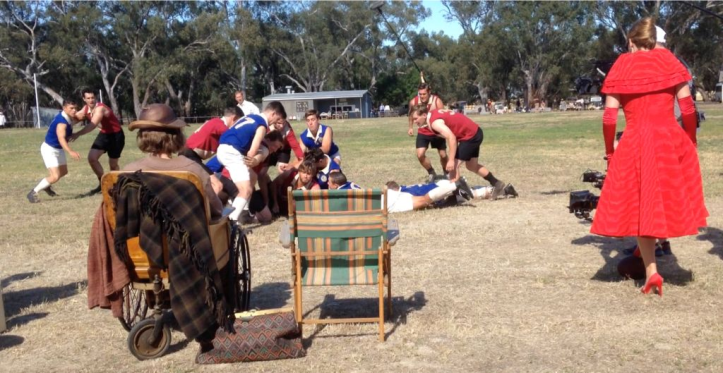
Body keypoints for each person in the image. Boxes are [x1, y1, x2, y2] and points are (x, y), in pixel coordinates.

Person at [590, 17, 708, 296]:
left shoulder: (621, 65)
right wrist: (690, 138)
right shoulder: (669, 61)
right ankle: (661, 251)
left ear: (631, 41)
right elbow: (688, 108)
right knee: (665, 198)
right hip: (669, 137)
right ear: (653, 40)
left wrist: (610, 150)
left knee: (643, 204)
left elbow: (609, 117)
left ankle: (652, 271)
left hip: (635, 139)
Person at [121, 104, 224, 220]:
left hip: (141, 236)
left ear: (142, 137)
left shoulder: (127, 171)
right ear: (177, 136)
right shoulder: (193, 169)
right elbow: (216, 210)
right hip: (187, 236)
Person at [410, 105, 510, 200]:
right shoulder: (432, 115)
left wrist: (451, 160)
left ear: (423, 115)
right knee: (471, 166)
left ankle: (454, 197)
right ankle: (497, 183)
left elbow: (452, 138)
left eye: (416, 118)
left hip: (470, 136)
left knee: (453, 168)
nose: (414, 122)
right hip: (474, 132)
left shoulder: (435, 123)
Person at [216, 101, 286, 221]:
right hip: (232, 152)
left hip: (223, 148)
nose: (275, 123)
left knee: (252, 176)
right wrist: (253, 160)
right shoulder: (262, 125)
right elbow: (252, 152)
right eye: (277, 119)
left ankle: (239, 210)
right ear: (273, 113)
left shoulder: (249, 116)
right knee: (246, 189)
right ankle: (231, 221)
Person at [71, 88, 125, 195]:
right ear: (84, 99)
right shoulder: (86, 108)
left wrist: (77, 134)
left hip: (116, 136)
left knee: (113, 165)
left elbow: (92, 125)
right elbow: (75, 118)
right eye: (88, 98)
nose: (91, 100)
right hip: (104, 134)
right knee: (92, 158)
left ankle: (118, 185)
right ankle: (103, 184)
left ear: (96, 97)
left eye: (92, 98)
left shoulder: (100, 109)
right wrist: (62, 123)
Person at [27, 100, 81, 203]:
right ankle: (33, 192)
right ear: (64, 108)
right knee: (55, 176)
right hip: (49, 149)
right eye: (71, 108)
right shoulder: (62, 123)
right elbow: (61, 139)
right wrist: (70, 151)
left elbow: (81, 116)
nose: (74, 111)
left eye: (75, 108)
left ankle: (46, 185)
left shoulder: (68, 117)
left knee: (64, 171)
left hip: (58, 149)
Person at [407, 83, 448, 181]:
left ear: (429, 92)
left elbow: (444, 116)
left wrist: (444, 131)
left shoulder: (437, 101)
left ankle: (446, 172)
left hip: (436, 130)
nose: (421, 96)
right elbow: (411, 115)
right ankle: (431, 172)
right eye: (420, 94)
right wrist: (410, 127)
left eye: (424, 94)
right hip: (423, 131)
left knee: (443, 155)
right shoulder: (414, 102)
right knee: (420, 155)